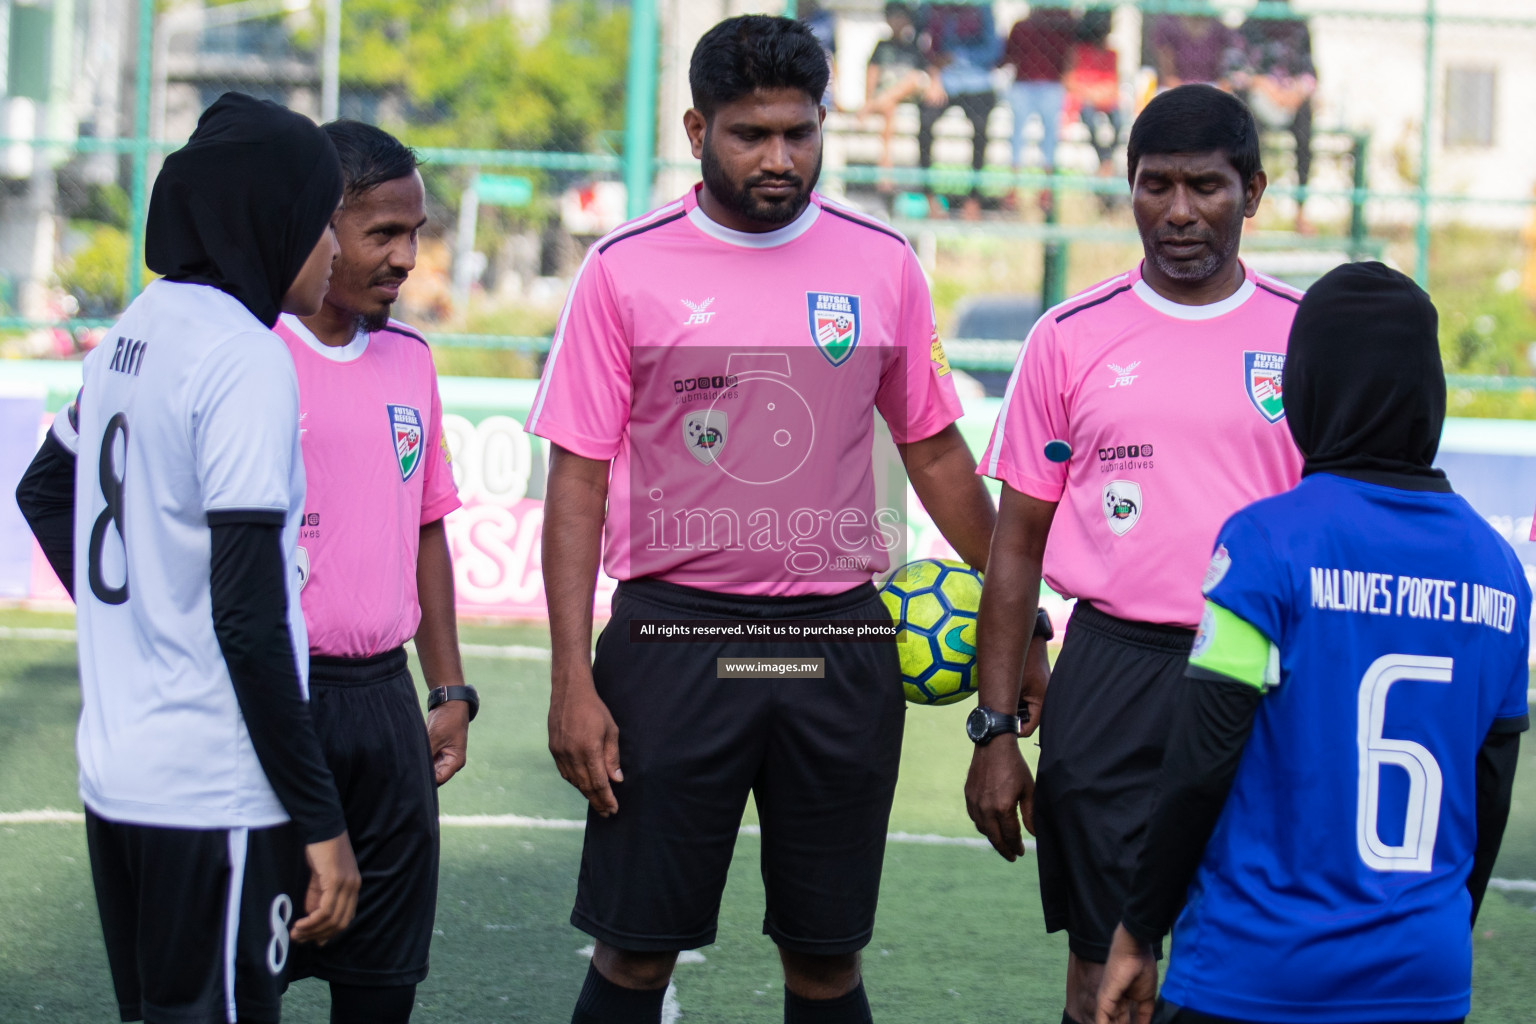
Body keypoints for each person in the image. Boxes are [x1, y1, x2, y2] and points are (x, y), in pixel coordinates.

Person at [525, 15, 1005, 1024]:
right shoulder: (623, 268)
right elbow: (577, 481)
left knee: (827, 961)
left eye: (800, 131)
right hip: (672, 639)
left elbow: (934, 450)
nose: (780, 157)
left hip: (835, 644)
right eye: (752, 134)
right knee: (634, 952)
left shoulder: (882, 263)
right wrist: (573, 675)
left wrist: (1018, 607)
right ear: (697, 129)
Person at [1096, 262, 1530, 1024]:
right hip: (1424, 976)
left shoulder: (1267, 542)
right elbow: (1490, 788)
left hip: (1256, 970)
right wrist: (1437, 937)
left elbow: (1201, 764)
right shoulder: (1500, 572)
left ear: (1307, 385)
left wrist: (1138, 929)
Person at [13, 92, 360, 1024]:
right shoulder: (245, 357)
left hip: (119, 771)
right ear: (268, 215)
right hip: (213, 787)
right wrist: (321, 823)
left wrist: (142, 629)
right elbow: (247, 617)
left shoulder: (137, 326)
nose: (335, 246)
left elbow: (43, 491)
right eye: (323, 219)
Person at [965, 85, 1304, 1024]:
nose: (1181, 211)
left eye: (1206, 186)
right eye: (1157, 186)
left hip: (1271, 670)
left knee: (1251, 960)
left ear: (1255, 191)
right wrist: (995, 731)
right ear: (1130, 189)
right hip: (1115, 667)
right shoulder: (1067, 337)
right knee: (1103, 974)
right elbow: (1015, 546)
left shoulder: (1306, 335)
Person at [271, 120, 468, 1024]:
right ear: (317, 226)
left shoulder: (410, 361)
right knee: (244, 979)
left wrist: (449, 689)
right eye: (383, 234)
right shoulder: (252, 354)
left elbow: (426, 527)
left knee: (383, 985)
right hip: (274, 701)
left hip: (384, 707)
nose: (407, 258)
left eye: (415, 234)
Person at [1231, 0, 1317, 233]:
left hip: (1291, 101)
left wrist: (1296, 92)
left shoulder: (1299, 26)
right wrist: (1264, 86)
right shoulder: (1249, 25)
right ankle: (1249, 211)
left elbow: (1310, 73)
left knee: (1306, 130)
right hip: (1258, 100)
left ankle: (1301, 211)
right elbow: (1235, 71)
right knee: (1247, 132)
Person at [916, 2, 1002, 220]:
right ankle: (929, 196)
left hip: (977, 83)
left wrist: (957, 57)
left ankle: (973, 198)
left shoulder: (983, 8)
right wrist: (934, 75)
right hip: (944, 82)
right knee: (925, 122)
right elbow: (923, 48)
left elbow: (993, 51)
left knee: (981, 127)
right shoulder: (931, 8)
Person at [1001, 5, 1075, 197]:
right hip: (1024, 85)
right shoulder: (1022, 27)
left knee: (1051, 131)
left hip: (1051, 85)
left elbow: (1069, 57)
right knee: (1018, 130)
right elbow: (1008, 56)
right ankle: (1013, 184)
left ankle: (1046, 187)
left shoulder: (1063, 26)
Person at [859, 2, 928, 187]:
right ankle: (885, 167)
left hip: (909, 95)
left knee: (914, 78)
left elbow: (920, 77)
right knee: (889, 107)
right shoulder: (882, 46)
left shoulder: (914, 47)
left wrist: (872, 103)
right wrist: (869, 97)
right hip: (888, 100)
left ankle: (876, 103)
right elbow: (872, 72)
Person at [1066, 10, 1122, 185]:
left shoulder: (1111, 53)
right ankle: (1104, 162)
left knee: (1119, 120)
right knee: (1090, 118)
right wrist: (1091, 94)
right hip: (1085, 100)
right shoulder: (1078, 51)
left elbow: (1113, 86)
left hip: (1104, 100)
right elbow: (1070, 80)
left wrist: (1099, 94)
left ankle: (1106, 162)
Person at [1150, 14, 1239, 90]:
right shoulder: (1168, 26)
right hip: (1177, 90)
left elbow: (1224, 78)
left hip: (1211, 89)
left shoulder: (1220, 28)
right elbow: (1169, 77)